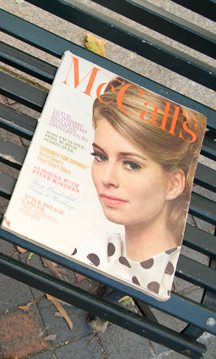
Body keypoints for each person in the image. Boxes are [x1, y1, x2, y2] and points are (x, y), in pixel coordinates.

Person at [72, 77, 206, 298]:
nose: (107, 178)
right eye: (100, 156)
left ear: (174, 184)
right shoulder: (94, 251)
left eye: (131, 164)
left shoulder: (162, 275)